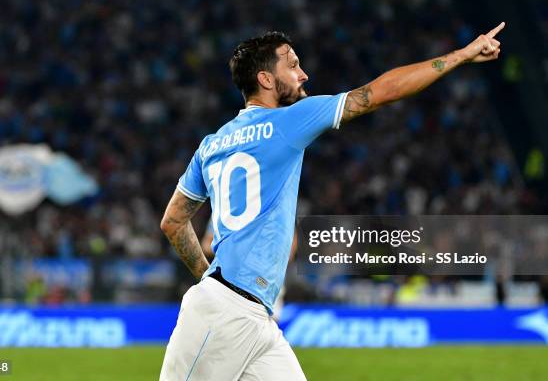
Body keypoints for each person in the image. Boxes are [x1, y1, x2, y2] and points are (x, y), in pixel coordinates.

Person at [159, 23, 505, 380]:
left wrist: (207, 278)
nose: (303, 74)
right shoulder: (287, 121)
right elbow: (378, 93)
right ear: (265, 79)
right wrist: (460, 56)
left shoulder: (212, 144)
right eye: (292, 65)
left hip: (253, 317)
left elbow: (173, 222)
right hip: (226, 312)